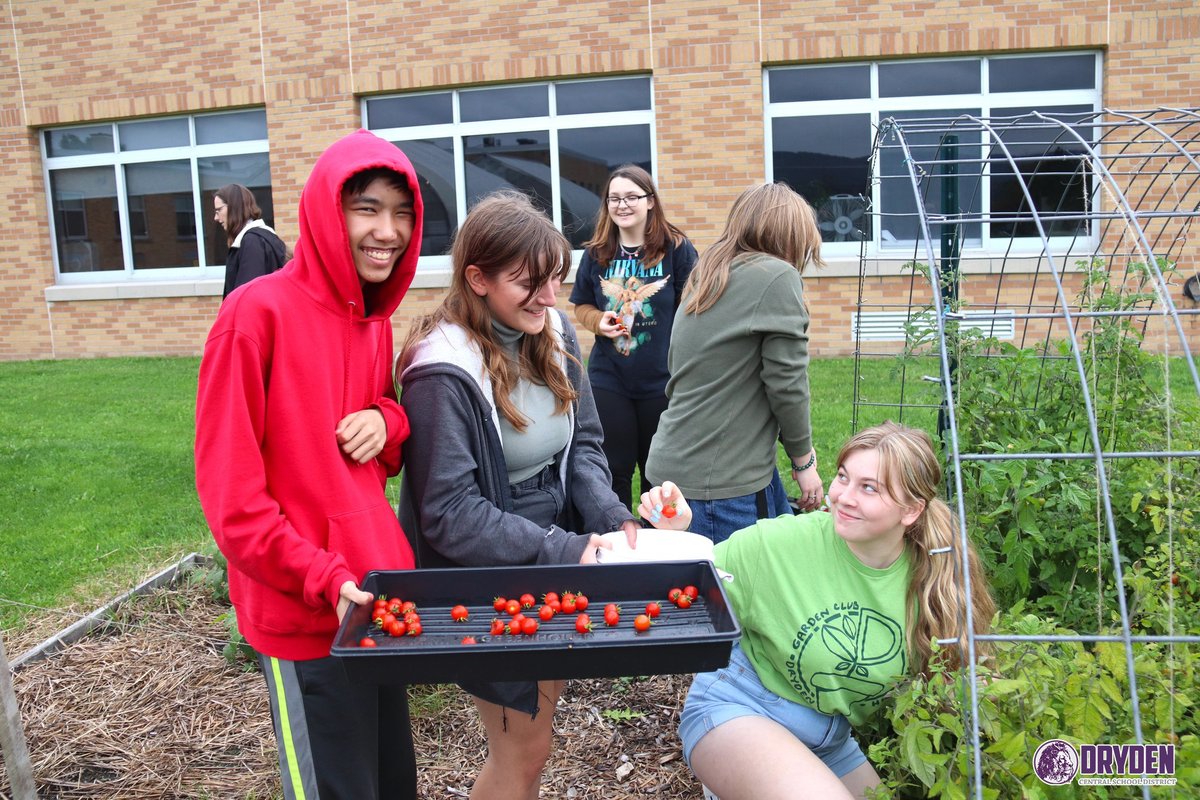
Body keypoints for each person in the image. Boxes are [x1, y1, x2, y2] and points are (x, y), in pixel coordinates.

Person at [195, 130, 424, 800]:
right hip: (307, 618)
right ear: (328, 210)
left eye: (402, 213)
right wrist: (322, 575)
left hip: (372, 601)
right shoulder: (253, 315)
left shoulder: (371, 319)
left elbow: (374, 441)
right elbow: (231, 502)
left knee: (390, 788)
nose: (388, 231)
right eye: (368, 209)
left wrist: (388, 419)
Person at [396, 190, 639, 800]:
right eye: (527, 283)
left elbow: (581, 447)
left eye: (555, 280)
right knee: (524, 751)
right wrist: (565, 549)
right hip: (489, 570)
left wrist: (613, 519)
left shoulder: (552, 329)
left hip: (552, 551)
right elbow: (449, 515)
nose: (551, 298)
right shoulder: (440, 370)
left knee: (536, 738)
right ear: (476, 279)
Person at [640, 422, 996, 800]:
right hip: (739, 709)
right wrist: (677, 538)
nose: (844, 497)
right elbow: (684, 594)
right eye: (843, 477)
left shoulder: (933, 577)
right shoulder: (780, 544)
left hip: (828, 739)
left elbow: (963, 678)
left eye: (869, 487)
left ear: (911, 511)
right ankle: (741, 770)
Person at [644, 182, 826, 544]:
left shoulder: (710, 272)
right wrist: (804, 462)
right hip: (718, 485)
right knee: (734, 596)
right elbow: (787, 384)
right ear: (792, 235)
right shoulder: (776, 276)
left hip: (689, 464)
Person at [568, 165, 698, 510]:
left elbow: (695, 307)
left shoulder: (677, 250)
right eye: (614, 198)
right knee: (614, 470)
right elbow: (581, 304)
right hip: (610, 378)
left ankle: (660, 546)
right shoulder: (597, 253)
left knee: (659, 474)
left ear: (650, 201)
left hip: (663, 380)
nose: (622, 205)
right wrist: (599, 321)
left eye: (631, 197)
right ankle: (620, 541)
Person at [214, 183, 288, 299]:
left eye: (219, 210)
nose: (216, 218)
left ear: (235, 207)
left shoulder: (252, 242)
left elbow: (249, 300)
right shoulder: (259, 238)